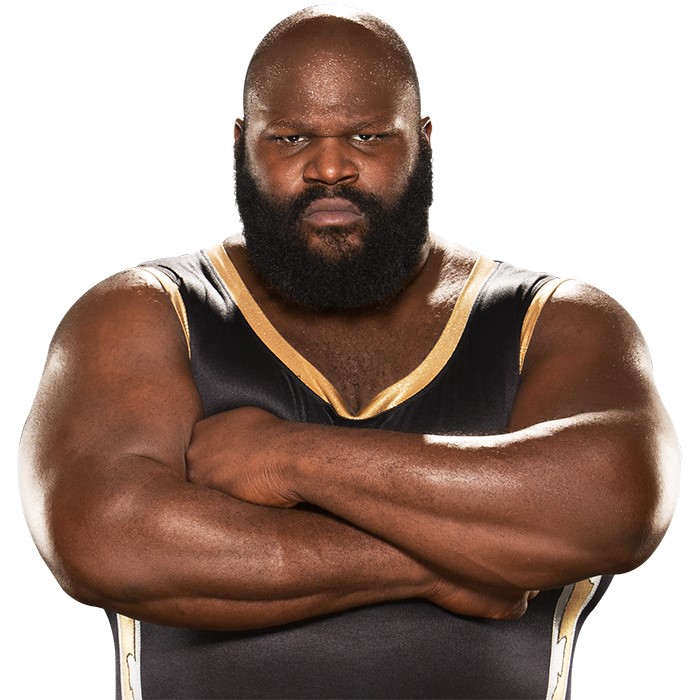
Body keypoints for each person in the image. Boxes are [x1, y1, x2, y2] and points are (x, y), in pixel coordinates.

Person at [18, 6, 679, 700]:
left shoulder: (553, 321)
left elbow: (616, 503)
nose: (330, 167)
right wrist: (457, 561)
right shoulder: (148, 312)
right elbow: (104, 537)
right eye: (291, 137)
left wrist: (287, 457)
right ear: (242, 144)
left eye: (368, 136)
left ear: (422, 141)